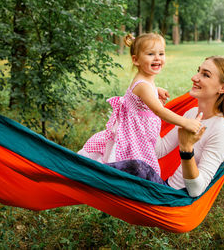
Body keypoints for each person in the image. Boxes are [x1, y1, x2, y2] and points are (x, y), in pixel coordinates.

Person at [78, 33, 201, 176]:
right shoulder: (143, 85)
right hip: (136, 138)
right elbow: (160, 111)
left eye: (161, 53)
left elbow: (142, 93)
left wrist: (156, 90)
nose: (157, 58)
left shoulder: (147, 80)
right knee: (139, 171)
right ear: (136, 60)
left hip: (142, 135)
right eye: (150, 54)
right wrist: (185, 122)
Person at [155, 55, 224, 197]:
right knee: (131, 165)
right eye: (198, 71)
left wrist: (186, 149)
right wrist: (151, 110)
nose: (194, 77)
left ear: (223, 88)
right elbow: (160, 150)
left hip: (176, 200)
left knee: (132, 168)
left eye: (205, 75)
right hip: (167, 187)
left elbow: (196, 190)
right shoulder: (192, 113)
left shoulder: (222, 130)